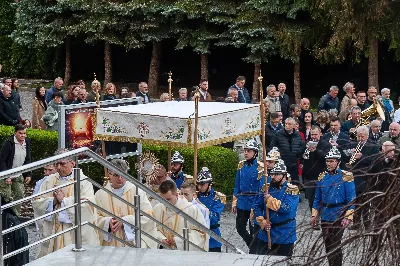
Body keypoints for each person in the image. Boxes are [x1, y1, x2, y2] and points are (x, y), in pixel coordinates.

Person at [32, 148, 99, 258]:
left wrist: (64, 201)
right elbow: (37, 202)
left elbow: (88, 205)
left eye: (62, 164)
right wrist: (53, 201)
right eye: (56, 163)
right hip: (52, 228)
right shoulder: (49, 180)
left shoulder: (83, 182)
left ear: (72, 163)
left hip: (71, 231)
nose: (58, 167)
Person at [95, 159, 158, 248]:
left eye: (123, 175)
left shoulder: (137, 192)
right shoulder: (100, 195)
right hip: (110, 245)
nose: (120, 178)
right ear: (109, 175)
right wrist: (108, 222)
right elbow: (94, 217)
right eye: (116, 175)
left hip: (133, 244)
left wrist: (126, 220)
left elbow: (148, 216)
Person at [310, 146, 355, 266]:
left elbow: (351, 199)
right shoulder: (322, 177)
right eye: (327, 161)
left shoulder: (346, 176)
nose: (329, 163)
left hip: (339, 213)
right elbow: (317, 198)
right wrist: (314, 215)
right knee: (328, 245)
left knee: (336, 244)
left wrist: (348, 216)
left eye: (332, 161)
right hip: (325, 214)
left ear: (338, 162)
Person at [254, 160, 299, 256]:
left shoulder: (292, 190)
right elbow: (257, 206)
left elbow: (287, 208)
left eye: (276, 174)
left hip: (285, 233)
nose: (272, 177)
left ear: (284, 175)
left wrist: (270, 200)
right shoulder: (266, 188)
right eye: (272, 174)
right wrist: (263, 221)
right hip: (267, 232)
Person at [153, 180, 208, 251]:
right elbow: (151, 228)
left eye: (168, 199)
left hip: (183, 256)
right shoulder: (157, 208)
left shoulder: (192, 210)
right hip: (162, 253)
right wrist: (161, 239)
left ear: (176, 195)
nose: (165, 203)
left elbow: (201, 234)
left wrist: (178, 241)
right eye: (162, 199)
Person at [232, 139, 264, 248]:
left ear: (255, 153)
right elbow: (237, 185)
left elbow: (262, 188)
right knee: (239, 227)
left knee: (253, 229)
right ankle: (251, 245)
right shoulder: (241, 165)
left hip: (254, 201)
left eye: (249, 151)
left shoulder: (261, 167)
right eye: (245, 150)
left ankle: (254, 249)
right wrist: (234, 201)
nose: (245, 153)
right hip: (242, 201)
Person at [0, 124, 32, 216]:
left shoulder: (27, 142)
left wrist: (28, 174)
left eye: (24, 133)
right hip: (7, 174)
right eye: (20, 133)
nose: (23, 135)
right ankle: (4, 217)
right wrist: (6, 176)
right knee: (6, 197)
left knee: (20, 195)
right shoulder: (9, 143)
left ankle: (15, 216)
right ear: (15, 133)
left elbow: (28, 158)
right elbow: (2, 160)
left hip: (18, 174)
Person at [196, 167, 225, 252]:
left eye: (202, 184)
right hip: (197, 236)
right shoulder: (195, 196)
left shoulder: (217, 198)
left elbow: (214, 219)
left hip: (212, 237)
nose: (199, 187)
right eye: (198, 184)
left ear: (209, 184)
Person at [302, 126, 330, 210]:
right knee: (311, 200)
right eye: (312, 135)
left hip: (321, 176)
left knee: (322, 200)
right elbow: (299, 154)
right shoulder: (307, 143)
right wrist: (304, 148)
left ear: (320, 134)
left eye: (315, 134)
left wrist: (316, 151)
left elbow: (326, 157)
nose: (313, 137)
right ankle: (314, 218)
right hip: (309, 176)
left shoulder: (326, 144)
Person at [270, 117, 306, 184]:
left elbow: (301, 147)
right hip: (282, 164)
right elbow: (272, 147)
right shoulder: (278, 134)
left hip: (294, 164)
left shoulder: (297, 135)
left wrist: (300, 157)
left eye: (289, 124)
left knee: (294, 184)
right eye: (286, 124)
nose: (287, 125)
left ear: (294, 125)